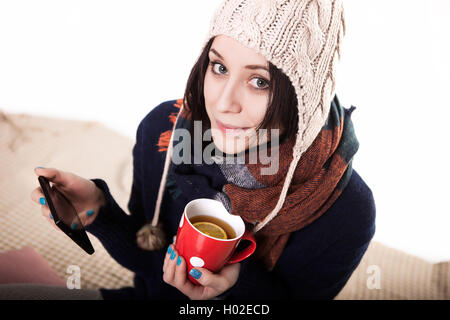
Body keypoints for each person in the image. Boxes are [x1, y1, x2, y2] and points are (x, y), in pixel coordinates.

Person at [12, 0, 375, 300]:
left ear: (304, 94)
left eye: (259, 81)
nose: (223, 102)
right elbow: (151, 267)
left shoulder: (345, 210)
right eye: (219, 67)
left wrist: (234, 286)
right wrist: (98, 213)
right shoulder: (164, 131)